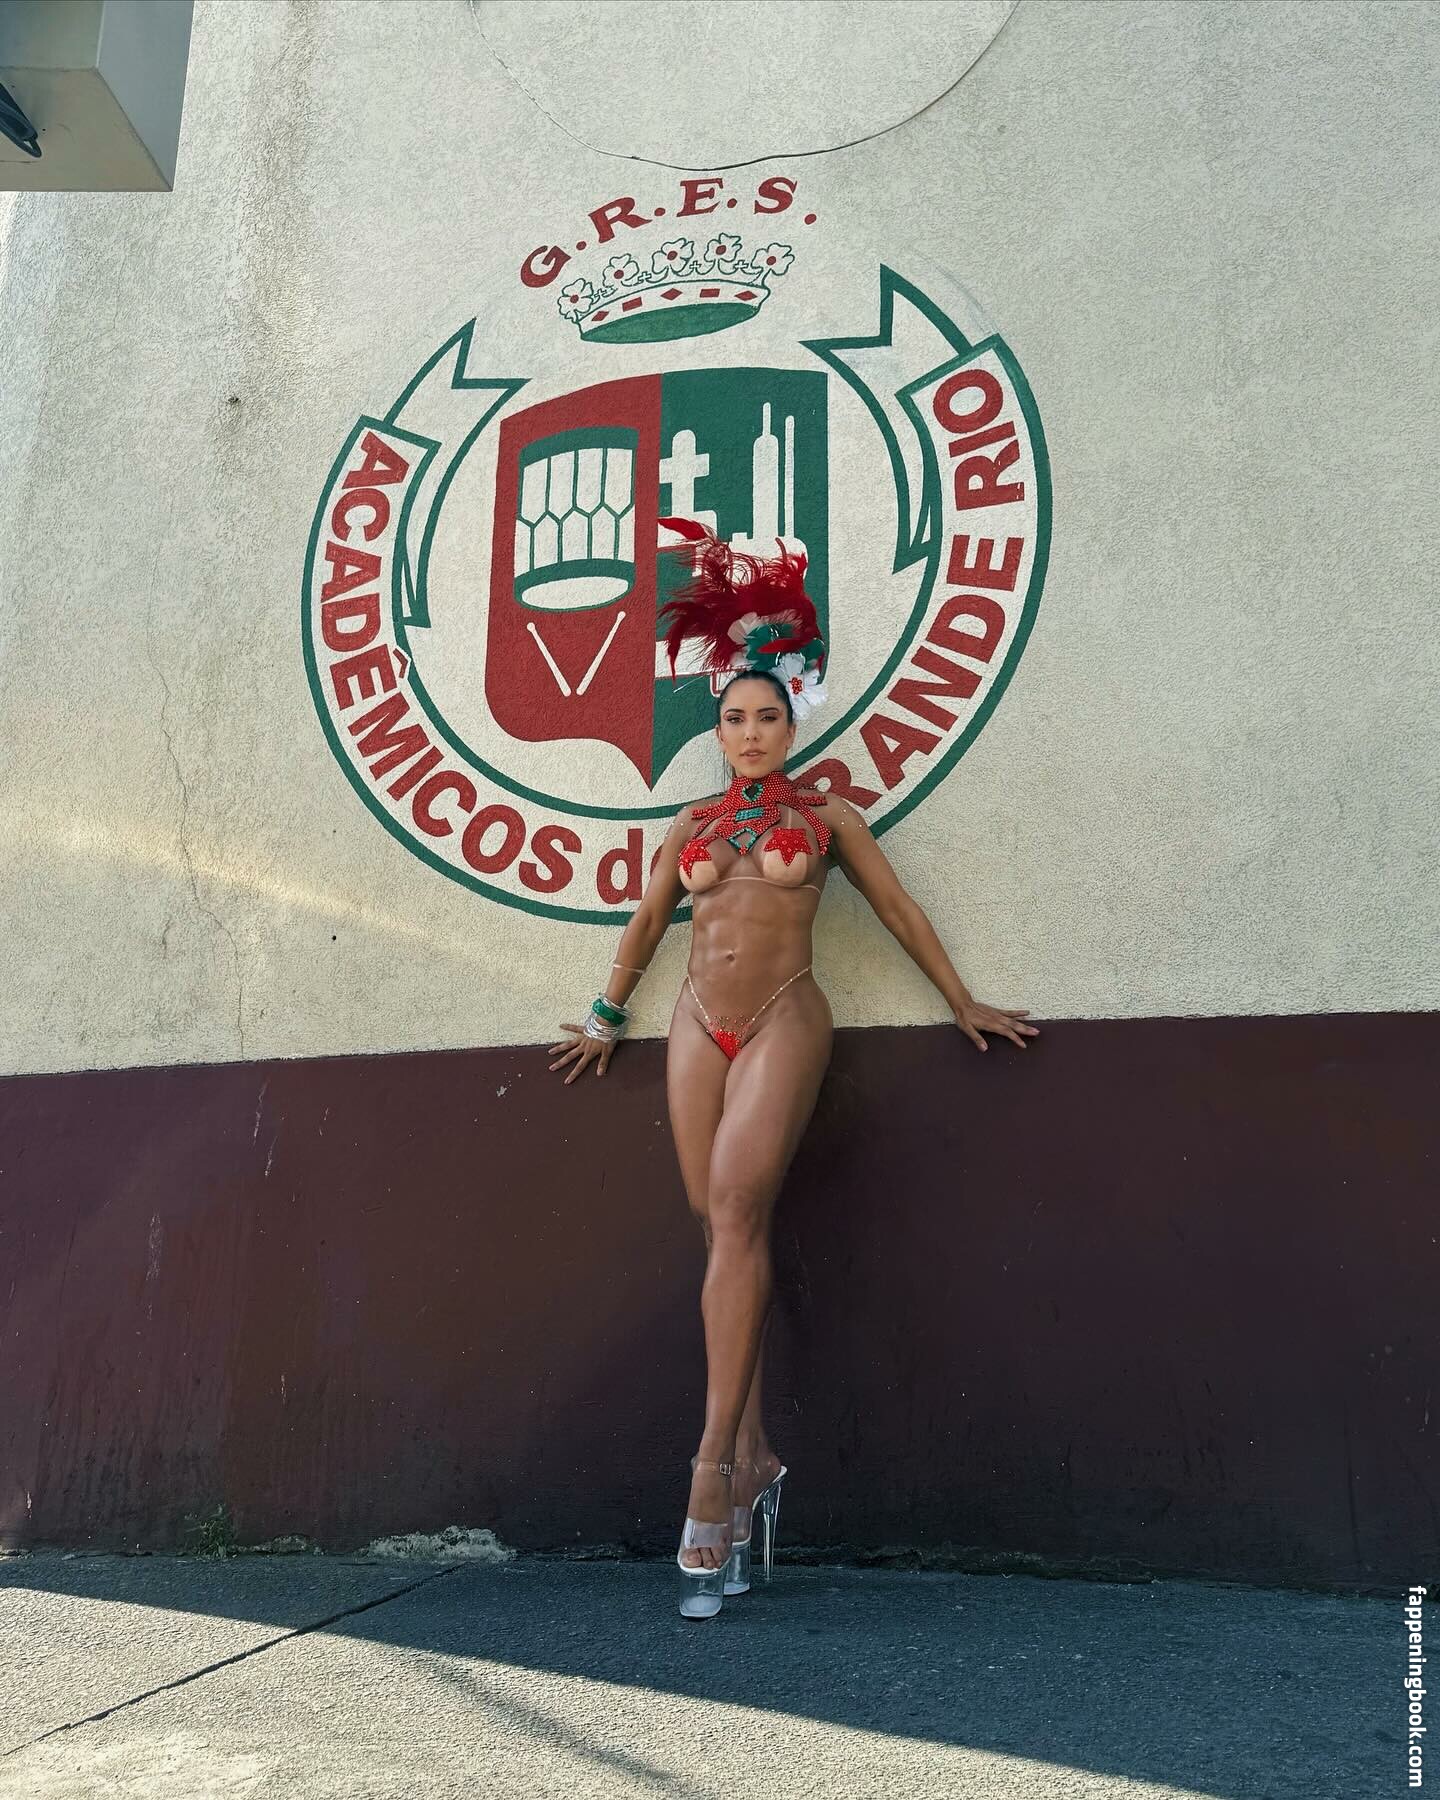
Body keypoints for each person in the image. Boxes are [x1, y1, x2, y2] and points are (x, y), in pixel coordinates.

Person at [545, 518, 1039, 1619]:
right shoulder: (692, 821)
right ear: (718, 730)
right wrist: (605, 1016)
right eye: (735, 718)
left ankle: (709, 1475)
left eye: (769, 716)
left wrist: (960, 1000)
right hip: (693, 1023)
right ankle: (757, 1459)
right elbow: (648, 922)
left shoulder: (828, 817)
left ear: (793, 720)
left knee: (733, 1212)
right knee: (722, 1231)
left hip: (784, 1019)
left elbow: (898, 910)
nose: (752, 732)